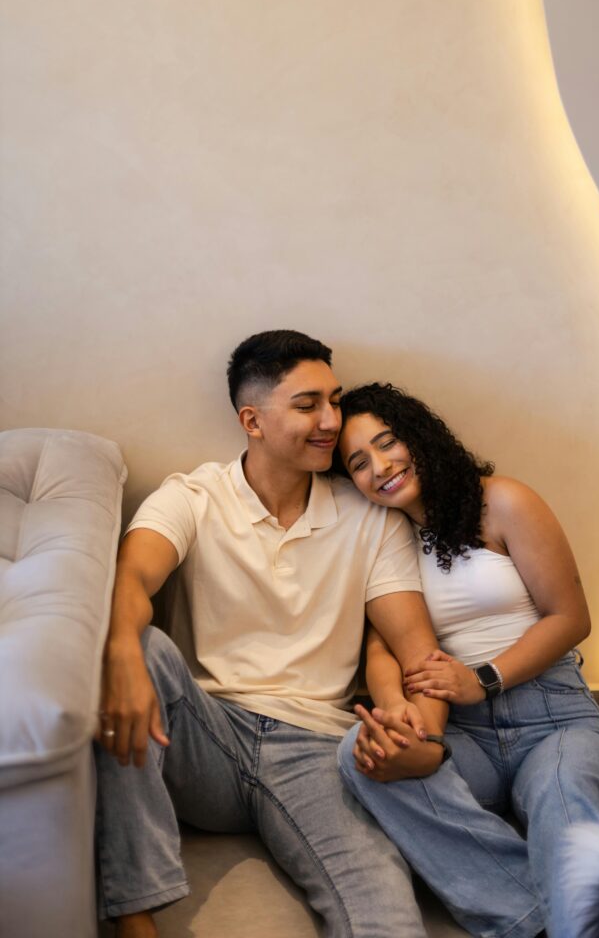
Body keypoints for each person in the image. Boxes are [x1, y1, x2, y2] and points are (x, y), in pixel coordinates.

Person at [94, 331, 450, 938]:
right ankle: (135, 915)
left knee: (385, 912)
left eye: (334, 401)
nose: (332, 421)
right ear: (252, 420)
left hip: (316, 749)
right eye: (308, 405)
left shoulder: (371, 518)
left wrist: (429, 738)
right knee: (145, 645)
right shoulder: (192, 495)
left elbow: (419, 651)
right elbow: (129, 580)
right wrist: (122, 655)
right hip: (205, 735)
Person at [335, 383, 599, 938]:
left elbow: (569, 617)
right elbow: (381, 647)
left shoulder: (503, 500)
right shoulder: (383, 541)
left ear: (418, 435)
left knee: (562, 800)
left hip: (553, 718)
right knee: (361, 755)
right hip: (464, 736)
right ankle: (529, 918)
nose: (381, 466)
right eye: (359, 463)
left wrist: (484, 679)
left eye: (387, 441)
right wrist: (396, 710)